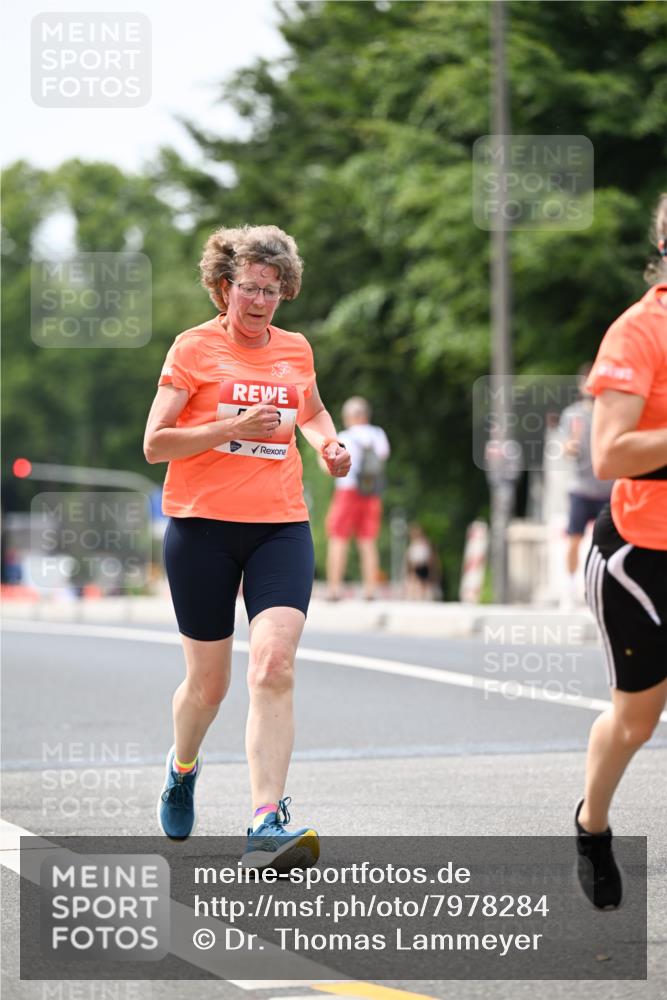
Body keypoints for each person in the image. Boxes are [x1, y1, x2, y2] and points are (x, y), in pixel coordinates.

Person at [143, 224, 350, 871]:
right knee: (209, 688)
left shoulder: (294, 350)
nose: (259, 301)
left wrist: (327, 444)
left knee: (273, 666)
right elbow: (155, 443)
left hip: (279, 526)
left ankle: (265, 819)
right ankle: (182, 768)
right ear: (223, 286)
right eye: (248, 288)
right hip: (201, 527)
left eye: (272, 289)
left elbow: (311, 410)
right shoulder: (193, 349)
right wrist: (232, 425)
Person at [576, 194, 667, 909]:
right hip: (641, 555)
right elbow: (608, 453)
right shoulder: (639, 331)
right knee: (635, 720)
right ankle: (591, 824)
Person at [558, 363, 614, 609]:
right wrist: (569, 447)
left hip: (607, 489)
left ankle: (606, 589)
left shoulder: (611, 411)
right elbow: (563, 446)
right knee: (574, 539)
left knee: (609, 543)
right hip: (580, 488)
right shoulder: (572, 415)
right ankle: (569, 589)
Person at [324, 396, 390, 600]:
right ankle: (370, 590)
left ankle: (334, 589)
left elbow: (331, 466)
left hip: (347, 492)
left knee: (338, 538)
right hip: (370, 493)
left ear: (350, 417)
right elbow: (383, 457)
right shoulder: (378, 434)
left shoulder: (344, 436)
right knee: (368, 540)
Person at [404, 523, 441, 600]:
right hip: (416, 566)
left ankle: (421, 597)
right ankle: (416, 596)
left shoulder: (424, 543)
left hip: (423, 565)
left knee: (423, 583)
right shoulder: (413, 544)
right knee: (415, 581)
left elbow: (429, 556)